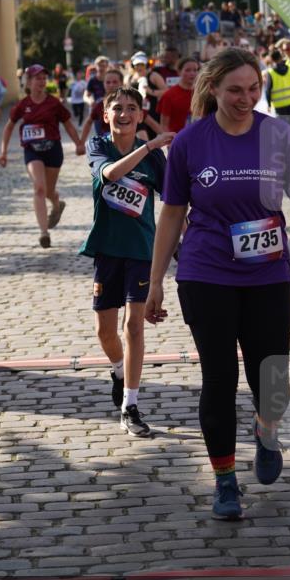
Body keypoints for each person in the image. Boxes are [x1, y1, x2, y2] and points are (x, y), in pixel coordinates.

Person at [144, 48, 290, 521]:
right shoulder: (191, 142)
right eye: (235, 90)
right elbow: (171, 214)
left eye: (254, 89)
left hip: (267, 273)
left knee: (272, 378)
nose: (246, 98)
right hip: (206, 271)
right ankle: (225, 481)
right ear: (213, 89)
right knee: (219, 377)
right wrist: (155, 282)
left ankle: (266, 431)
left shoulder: (277, 135)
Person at [79, 86, 174, 436]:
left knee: (134, 326)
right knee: (104, 331)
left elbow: (175, 201)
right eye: (117, 108)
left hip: (142, 251)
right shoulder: (99, 146)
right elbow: (110, 175)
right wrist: (148, 146)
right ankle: (119, 369)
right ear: (106, 115)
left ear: (140, 115)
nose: (124, 114)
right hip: (107, 250)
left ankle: (130, 405)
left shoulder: (155, 159)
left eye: (132, 108)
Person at [0, 64, 85, 248]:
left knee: (48, 191)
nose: (42, 81)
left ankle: (56, 204)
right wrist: (3, 152)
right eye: (38, 78)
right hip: (32, 151)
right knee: (39, 188)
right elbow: (9, 127)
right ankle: (44, 233)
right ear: (29, 82)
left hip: (53, 150)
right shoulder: (23, 105)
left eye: (44, 78)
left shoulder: (54, 103)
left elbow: (68, 124)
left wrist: (78, 143)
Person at [264, 48, 290, 137]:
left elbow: (268, 90)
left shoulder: (271, 72)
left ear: (271, 59)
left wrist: (269, 104)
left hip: (279, 105)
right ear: (281, 57)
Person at [157, 56, 200, 135]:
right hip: (177, 139)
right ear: (179, 72)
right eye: (188, 70)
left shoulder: (202, 94)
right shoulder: (169, 95)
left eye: (195, 70)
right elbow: (164, 125)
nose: (192, 73)